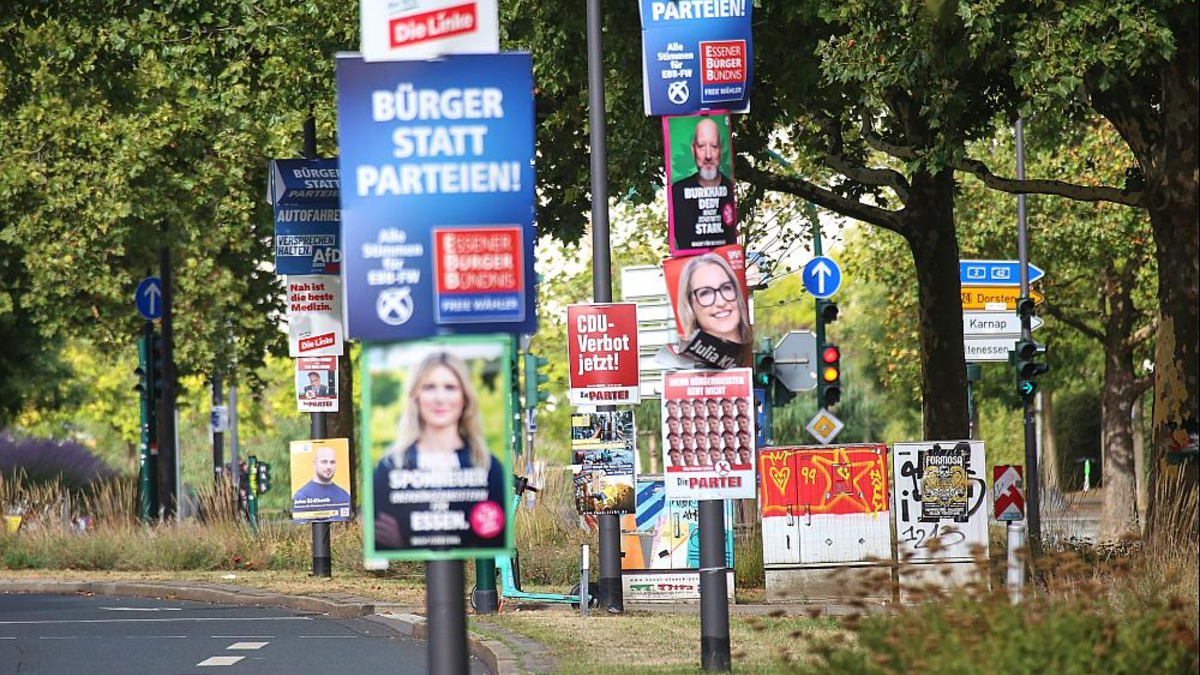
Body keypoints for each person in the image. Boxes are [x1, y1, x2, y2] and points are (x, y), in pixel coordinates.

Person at [373, 351, 506, 551]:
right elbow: (380, 539)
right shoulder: (390, 468)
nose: (440, 398)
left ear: (465, 397)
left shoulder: (488, 467)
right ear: (415, 396)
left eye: (450, 387)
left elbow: (494, 539)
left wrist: (405, 542)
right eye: (429, 387)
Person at [670, 116, 736, 251]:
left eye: (714, 146)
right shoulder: (678, 191)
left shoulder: (730, 188)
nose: (708, 156)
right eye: (701, 146)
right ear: (693, 150)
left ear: (720, 150)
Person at [675, 253, 752, 348]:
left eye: (726, 288)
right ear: (689, 305)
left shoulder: (757, 345)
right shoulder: (679, 356)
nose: (721, 302)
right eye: (705, 293)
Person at [291, 445, 351, 515]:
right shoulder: (302, 497)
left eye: (332, 462)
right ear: (314, 463)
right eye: (324, 462)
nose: (329, 467)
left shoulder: (344, 495)